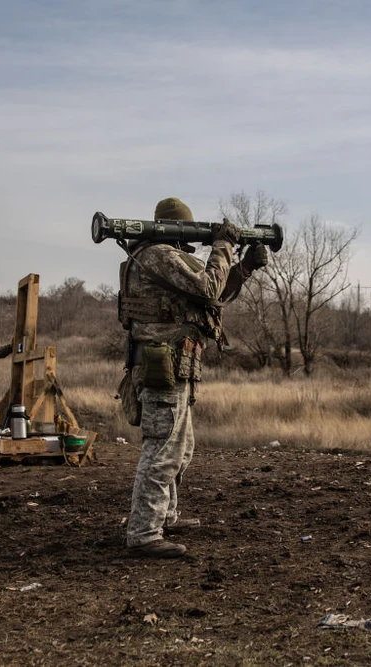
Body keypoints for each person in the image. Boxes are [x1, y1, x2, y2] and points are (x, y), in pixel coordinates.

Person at [120, 197, 268, 558]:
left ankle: (165, 516)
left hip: (176, 366)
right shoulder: (157, 255)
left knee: (180, 450)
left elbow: (210, 298)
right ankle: (144, 533)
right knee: (162, 452)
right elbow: (207, 287)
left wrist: (244, 268)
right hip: (162, 367)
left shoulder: (165, 258)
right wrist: (224, 245)